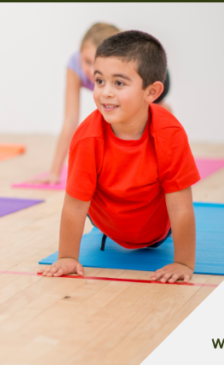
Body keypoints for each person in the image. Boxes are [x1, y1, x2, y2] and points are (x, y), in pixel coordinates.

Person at [40, 31, 199, 283]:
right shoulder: (87, 138)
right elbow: (75, 204)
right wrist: (67, 256)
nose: (105, 93)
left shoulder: (170, 134)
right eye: (99, 81)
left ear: (152, 92)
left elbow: (180, 205)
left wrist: (183, 262)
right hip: (106, 223)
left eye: (119, 83)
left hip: (157, 234)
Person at [44, 23, 174, 185]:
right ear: (80, 56)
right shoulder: (75, 65)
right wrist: (54, 173)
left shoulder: (128, 67)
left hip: (156, 77)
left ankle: (167, 122)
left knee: (154, 111)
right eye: (87, 62)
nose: (92, 71)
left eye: (96, 62)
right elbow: (70, 119)